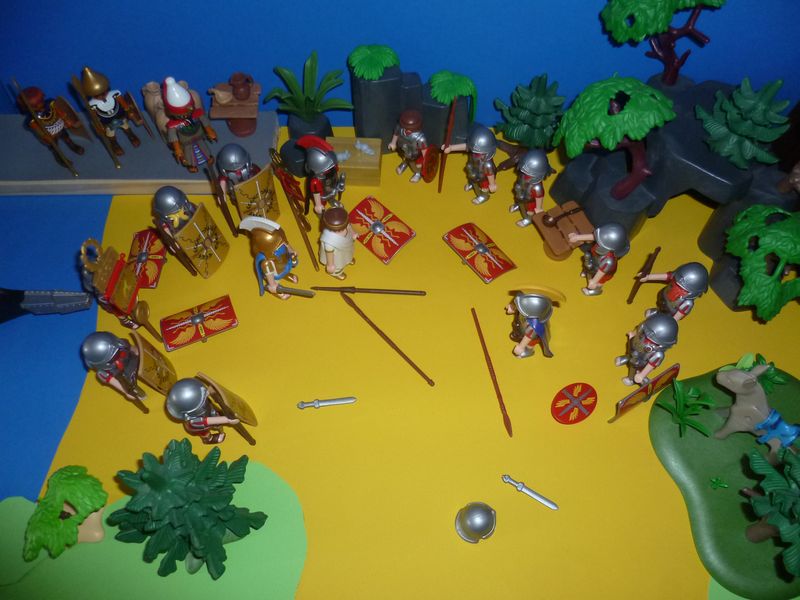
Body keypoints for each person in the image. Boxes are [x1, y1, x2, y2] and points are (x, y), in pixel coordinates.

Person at [442, 123, 498, 205]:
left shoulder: (487, 164)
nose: (475, 152)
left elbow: (490, 174)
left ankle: (483, 196)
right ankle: (472, 184)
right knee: (471, 178)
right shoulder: (473, 149)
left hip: (483, 177)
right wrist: (451, 148)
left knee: (484, 187)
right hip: (473, 170)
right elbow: (466, 146)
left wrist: (492, 184)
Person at [388, 109, 429, 183]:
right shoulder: (399, 128)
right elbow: (396, 134)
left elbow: (425, 151)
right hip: (402, 149)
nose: (407, 130)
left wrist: (423, 161)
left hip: (415, 154)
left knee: (414, 164)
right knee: (404, 157)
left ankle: (418, 173)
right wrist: (393, 143)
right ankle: (405, 163)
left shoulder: (420, 138)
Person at [319, 207, 357, 280]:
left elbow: (349, 227)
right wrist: (330, 265)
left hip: (346, 246)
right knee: (338, 263)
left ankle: (348, 259)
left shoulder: (345, 225)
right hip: (336, 255)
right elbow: (329, 255)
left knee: (348, 253)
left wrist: (353, 233)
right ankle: (336, 273)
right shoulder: (329, 242)